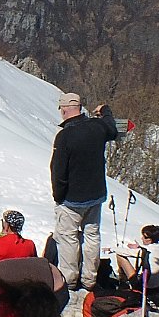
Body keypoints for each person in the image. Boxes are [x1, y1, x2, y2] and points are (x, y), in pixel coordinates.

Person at [50, 93, 118, 292]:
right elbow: (112, 129)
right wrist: (105, 111)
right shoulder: (97, 127)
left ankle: (70, 281)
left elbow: (58, 170)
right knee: (92, 236)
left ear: (64, 109)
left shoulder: (65, 136)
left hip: (72, 199)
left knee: (69, 238)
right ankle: (90, 280)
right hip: (95, 195)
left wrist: (58, 196)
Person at [115, 224, 159, 309]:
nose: (142, 238)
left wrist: (111, 249)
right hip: (157, 286)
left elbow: (125, 252)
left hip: (144, 285)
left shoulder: (145, 251)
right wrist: (140, 247)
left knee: (120, 256)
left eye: (144, 237)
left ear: (150, 240)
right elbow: (149, 250)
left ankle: (123, 282)